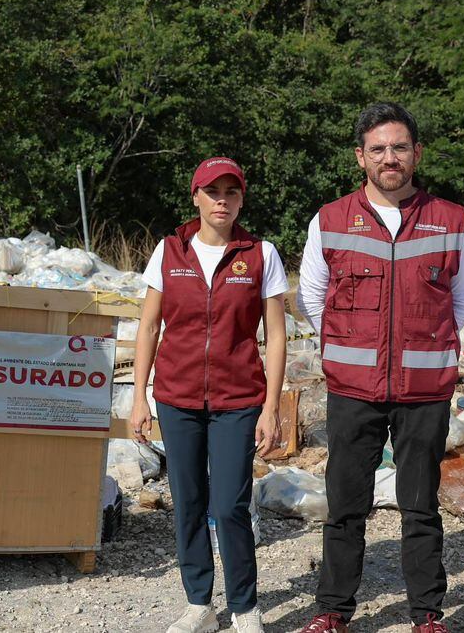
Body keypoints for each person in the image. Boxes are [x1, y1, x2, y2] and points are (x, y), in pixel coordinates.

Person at [296, 102, 464, 633]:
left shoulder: (450, 219)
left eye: (399, 147)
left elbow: (462, 300)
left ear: (417, 153)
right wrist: (345, 347)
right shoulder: (330, 219)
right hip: (353, 387)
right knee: (344, 505)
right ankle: (332, 609)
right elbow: (312, 295)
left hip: (424, 387)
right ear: (361, 157)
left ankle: (426, 614)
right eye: (378, 149)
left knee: (420, 506)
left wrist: (429, 343)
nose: (389, 157)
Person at [128, 157, 289, 633]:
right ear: (195, 196)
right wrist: (139, 395)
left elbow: (276, 336)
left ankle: (244, 606)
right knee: (189, 499)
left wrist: (272, 407)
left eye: (231, 192)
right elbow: (149, 325)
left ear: (241, 199)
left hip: (238, 400)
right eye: (212, 191)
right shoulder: (169, 251)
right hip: (176, 397)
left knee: (229, 505)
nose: (222, 200)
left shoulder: (261, 255)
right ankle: (199, 604)